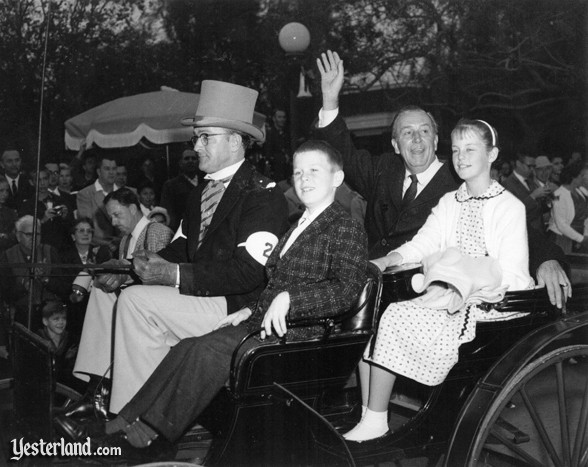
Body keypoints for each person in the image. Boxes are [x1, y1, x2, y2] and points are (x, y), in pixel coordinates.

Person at [56, 140, 369, 459]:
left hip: (300, 336)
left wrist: (291, 300)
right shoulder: (297, 227)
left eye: (314, 171)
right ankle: (122, 419)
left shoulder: (346, 227)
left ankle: (147, 435)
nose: (304, 178)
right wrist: (251, 308)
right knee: (186, 347)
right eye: (298, 171)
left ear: (337, 178)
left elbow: (345, 290)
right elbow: (273, 285)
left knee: (206, 351)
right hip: (264, 323)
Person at [58, 80, 289, 421]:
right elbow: (179, 249)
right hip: (198, 296)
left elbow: (249, 272)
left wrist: (173, 275)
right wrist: (128, 267)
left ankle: (136, 419)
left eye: (205, 136)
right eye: (197, 137)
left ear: (236, 141)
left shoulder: (262, 195)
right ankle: (98, 392)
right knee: (106, 291)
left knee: (136, 302)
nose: (197, 145)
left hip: (235, 305)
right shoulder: (199, 194)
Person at [314, 50, 571, 308]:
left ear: (436, 141)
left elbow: (512, 223)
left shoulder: (460, 176)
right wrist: (330, 98)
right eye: (407, 132)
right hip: (370, 291)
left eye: (424, 131)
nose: (417, 138)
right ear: (395, 144)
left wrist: (548, 260)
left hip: (428, 296)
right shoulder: (382, 169)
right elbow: (342, 152)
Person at [345, 119, 534, 443]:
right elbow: (423, 244)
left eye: (470, 149)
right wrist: (387, 260)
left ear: (492, 154)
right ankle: (373, 415)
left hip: (493, 302)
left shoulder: (509, 207)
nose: (460, 157)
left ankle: (378, 418)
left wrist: (470, 287)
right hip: (449, 293)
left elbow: (514, 275)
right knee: (380, 315)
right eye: (456, 150)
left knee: (397, 316)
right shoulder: (450, 202)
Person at [66, 188, 173, 419]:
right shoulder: (126, 240)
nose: (113, 222)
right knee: (101, 290)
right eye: (110, 217)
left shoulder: (157, 232)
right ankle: (99, 390)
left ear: (132, 208)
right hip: (133, 309)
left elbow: (161, 280)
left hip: (153, 313)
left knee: (101, 293)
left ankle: (98, 391)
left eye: (117, 215)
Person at [0, 215, 69, 329]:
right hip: (22, 313)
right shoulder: (7, 256)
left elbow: (63, 287)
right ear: (18, 236)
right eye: (29, 234)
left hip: (50, 312)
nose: (34, 238)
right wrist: (25, 285)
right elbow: (5, 292)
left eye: (37, 234)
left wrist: (45, 279)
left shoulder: (50, 251)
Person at [59, 217, 112, 340]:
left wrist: (95, 271)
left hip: (98, 303)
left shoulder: (101, 252)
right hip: (73, 305)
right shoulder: (64, 255)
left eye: (89, 231)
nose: (85, 234)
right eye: (81, 230)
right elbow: (61, 283)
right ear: (73, 236)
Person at [19, 168, 72, 251]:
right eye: (38, 180)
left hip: (61, 248)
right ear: (31, 182)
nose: (42, 183)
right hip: (40, 248)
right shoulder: (27, 206)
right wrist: (43, 220)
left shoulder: (60, 200)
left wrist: (65, 217)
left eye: (45, 179)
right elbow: (25, 232)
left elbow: (70, 227)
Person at [76, 154, 120, 251]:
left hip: (122, 247)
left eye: (114, 169)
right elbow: (87, 229)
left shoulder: (125, 193)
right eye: (107, 169)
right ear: (99, 172)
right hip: (97, 248)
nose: (111, 172)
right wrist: (109, 244)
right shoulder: (85, 194)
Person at [36, 300, 80, 390]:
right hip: (43, 386)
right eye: (56, 319)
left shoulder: (71, 340)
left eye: (64, 318)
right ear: (45, 321)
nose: (61, 322)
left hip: (65, 388)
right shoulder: (38, 339)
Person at [502, 153, 551, 231]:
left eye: (533, 166)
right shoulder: (507, 184)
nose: (532, 170)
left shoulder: (530, 181)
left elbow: (537, 208)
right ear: (518, 164)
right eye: (529, 166)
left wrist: (548, 201)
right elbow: (514, 213)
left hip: (538, 232)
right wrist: (533, 196)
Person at [547, 161, 588, 254]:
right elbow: (561, 225)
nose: (583, 178)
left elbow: (586, 217)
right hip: (561, 238)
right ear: (574, 177)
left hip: (579, 238)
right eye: (581, 176)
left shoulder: (581, 192)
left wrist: (585, 236)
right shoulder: (557, 195)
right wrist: (581, 239)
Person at [159, 149, 200, 231]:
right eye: (187, 158)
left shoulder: (206, 182)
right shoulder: (171, 185)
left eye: (193, 158)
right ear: (180, 163)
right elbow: (168, 213)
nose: (190, 161)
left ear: (198, 162)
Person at [263, 107, 292, 182]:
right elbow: (268, 153)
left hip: (285, 170)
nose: (282, 119)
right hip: (274, 170)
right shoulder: (269, 134)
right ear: (274, 118)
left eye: (284, 117)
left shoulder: (287, 134)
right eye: (279, 117)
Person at [0, 177, 17, 253]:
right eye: (1, 191)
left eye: (7, 191)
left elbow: (15, 234)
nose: (5, 194)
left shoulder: (11, 212)